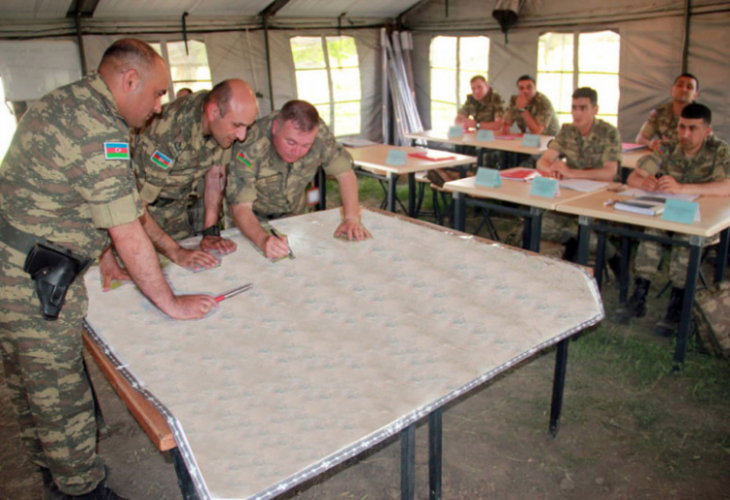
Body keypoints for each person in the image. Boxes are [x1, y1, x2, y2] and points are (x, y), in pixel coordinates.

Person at [0, 39, 219, 500]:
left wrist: (123, 254)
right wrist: (170, 301)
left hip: (13, 261)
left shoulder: (68, 102)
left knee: (30, 387)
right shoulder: (102, 130)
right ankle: (81, 490)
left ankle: (51, 474)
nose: (159, 106)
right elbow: (125, 227)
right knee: (61, 395)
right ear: (129, 80)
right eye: (157, 93)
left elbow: (98, 201)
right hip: (31, 279)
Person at [616, 103, 730, 336]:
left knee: (685, 242)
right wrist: (645, 182)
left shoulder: (718, 150)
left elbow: (727, 185)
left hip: (700, 219)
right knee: (651, 233)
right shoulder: (666, 148)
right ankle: (639, 296)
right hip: (667, 212)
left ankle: (677, 304)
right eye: (681, 127)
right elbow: (633, 178)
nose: (685, 134)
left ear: (707, 131)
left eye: (693, 129)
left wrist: (682, 188)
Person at [133, 79, 259, 271]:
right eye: (237, 125)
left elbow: (214, 177)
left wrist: (210, 232)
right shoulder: (168, 131)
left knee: (191, 272)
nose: (241, 136)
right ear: (213, 112)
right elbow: (136, 207)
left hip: (177, 212)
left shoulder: (220, 127)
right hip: (137, 222)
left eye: (247, 127)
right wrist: (175, 251)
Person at [225, 100, 369, 260]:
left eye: (306, 146)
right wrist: (263, 239)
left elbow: (345, 174)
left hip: (294, 215)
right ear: (275, 128)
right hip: (250, 220)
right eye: (291, 142)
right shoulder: (251, 143)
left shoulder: (319, 134)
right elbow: (241, 207)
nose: (297, 152)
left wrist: (351, 219)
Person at [536, 87, 622, 267]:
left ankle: (613, 256)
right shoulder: (567, 131)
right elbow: (543, 161)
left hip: (601, 196)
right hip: (572, 193)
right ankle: (574, 244)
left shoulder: (608, 132)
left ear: (595, 109)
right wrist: (552, 170)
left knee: (586, 232)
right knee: (541, 225)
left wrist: (571, 172)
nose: (577, 113)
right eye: (574, 107)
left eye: (583, 108)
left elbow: (610, 172)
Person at [635, 73, 699, 151]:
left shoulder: (700, 115)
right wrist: (651, 143)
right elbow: (640, 138)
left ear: (695, 95)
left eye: (689, 87)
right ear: (672, 90)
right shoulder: (660, 112)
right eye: (680, 85)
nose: (684, 89)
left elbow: (706, 145)